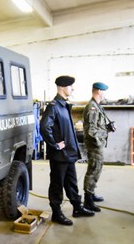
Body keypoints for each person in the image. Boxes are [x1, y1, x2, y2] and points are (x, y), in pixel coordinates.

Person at [40, 75, 95, 225]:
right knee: (57, 184)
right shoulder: (54, 106)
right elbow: (44, 127)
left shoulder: (63, 105)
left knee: (71, 182)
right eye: (71, 86)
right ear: (62, 87)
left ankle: (77, 207)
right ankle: (56, 213)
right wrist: (55, 144)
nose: (72, 89)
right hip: (60, 155)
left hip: (68, 154)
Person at [82, 81, 113, 212]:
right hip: (95, 145)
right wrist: (100, 141)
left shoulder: (97, 106)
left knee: (97, 169)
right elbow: (91, 130)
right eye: (104, 91)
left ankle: (91, 193)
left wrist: (107, 128)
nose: (105, 94)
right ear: (99, 91)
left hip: (97, 144)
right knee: (93, 170)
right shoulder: (92, 107)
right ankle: (88, 200)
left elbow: (97, 126)